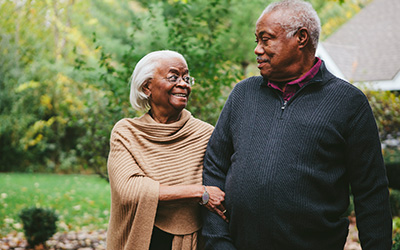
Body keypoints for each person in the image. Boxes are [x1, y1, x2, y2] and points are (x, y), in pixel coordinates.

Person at [201, 0, 392, 249]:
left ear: (301, 38)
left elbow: (371, 193)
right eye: (256, 40)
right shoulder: (243, 94)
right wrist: (218, 244)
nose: (257, 50)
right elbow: (214, 168)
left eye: (266, 39)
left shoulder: (348, 103)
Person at [106, 50, 227, 250]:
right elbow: (128, 191)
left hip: (190, 242)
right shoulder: (127, 132)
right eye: (173, 77)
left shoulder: (205, 134)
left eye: (187, 77)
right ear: (147, 87)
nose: (183, 84)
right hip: (141, 239)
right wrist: (199, 192)